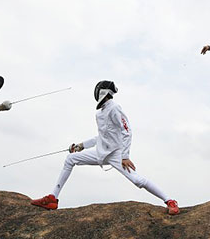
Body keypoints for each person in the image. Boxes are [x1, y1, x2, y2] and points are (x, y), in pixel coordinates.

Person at [30, 80, 180, 215]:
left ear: (102, 92)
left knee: (137, 181)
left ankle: (170, 201)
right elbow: (101, 137)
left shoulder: (115, 108)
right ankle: (53, 198)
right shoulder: (100, 113)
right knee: (70, 159)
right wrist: (81, 146)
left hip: (116, 154)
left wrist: (125, 156)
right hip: (101, 152)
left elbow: (127, 131)